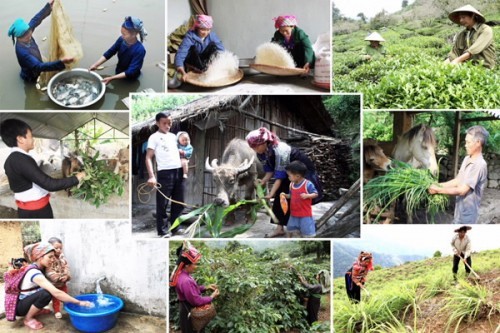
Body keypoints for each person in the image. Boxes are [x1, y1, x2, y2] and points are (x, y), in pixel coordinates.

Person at [246, 127, 323, 238]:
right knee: (281, 196)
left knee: (299, 197)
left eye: (256, 146)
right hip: (287, 172)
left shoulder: (280, 151)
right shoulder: (262, 153)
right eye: (252, 147)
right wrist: (263, 181)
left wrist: (270, 194)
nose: (254, 149)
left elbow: (280, 177)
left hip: (299, 170)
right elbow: (269, 170)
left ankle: (302, 226)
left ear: (264, 143)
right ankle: (279, 229)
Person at [0, 119, 86, 219]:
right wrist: (77, 178)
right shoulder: (21, 160)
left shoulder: (11, 160)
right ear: (20, 139)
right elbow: (50, 184)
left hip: (28, 210)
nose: (33, 139)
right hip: (36, 212)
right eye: (31, 136)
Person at [15, 242, 92, 330]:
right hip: (20, 307)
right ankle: (28, 319)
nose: (53, 260)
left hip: (26, 301)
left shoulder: (40, 268)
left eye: (53, 257)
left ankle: (36, 311)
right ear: (40, 257)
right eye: (50, 257)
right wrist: (79, 302)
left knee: (46, 292)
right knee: (46, 294)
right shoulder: (34, 272)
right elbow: (57, 293)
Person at [429, 125, 489, 224]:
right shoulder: (467, 159)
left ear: (478, 143)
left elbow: (462, 191)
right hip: (459, 211)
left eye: (468, 142)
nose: (465, 145)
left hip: (468, 216)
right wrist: (438, 185)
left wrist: (438, 190)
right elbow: (457, 180)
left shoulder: (479, 164)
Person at [7, 0, 74, 82]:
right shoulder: (22, 52)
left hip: (36, 62)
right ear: (18, 38)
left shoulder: (27, 30)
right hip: (31, 76)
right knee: (35, 82)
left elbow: (36, 19)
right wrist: (61, 62)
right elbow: (39, 67)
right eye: (24, 35)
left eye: (29, 31)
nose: (28, 35)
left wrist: (48, 7)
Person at [145, 112, 185, 237]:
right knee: (163, 203)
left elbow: (173, 150)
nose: (167, 126)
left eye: (170, 123)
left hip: (178, 171)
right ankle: (162, 230)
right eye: (164, 123)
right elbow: (148, 157)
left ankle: (175, 227)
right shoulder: (154, 137)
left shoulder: (174, 136)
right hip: (164, 173)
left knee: (179, 201)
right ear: (157, 123)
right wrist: (152, 176)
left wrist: (181, 153)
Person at [169, 241, 219, 333]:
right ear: (187, 265)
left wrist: (206, 287)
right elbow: (196, 300)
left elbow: (192, 290)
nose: (196, 266)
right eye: (194, 264)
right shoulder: (186, 280)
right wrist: (211, 297)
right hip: (189, 310)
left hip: (185, 308)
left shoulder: (182, 275)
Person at [89, 16, 147, 84]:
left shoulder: (140, 50)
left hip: (131, 78)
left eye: (124, 34)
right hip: (119, 71)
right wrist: (95, 65)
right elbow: (110, 52)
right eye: (121, 33)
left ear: (134, 34)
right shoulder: (121, 40)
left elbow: (131, 72)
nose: (122, 36)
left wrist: (112, 78)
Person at [175, 15, 225, 82]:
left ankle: (205, 67)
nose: (205, 33)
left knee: (213, 46)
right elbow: (181, 53)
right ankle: (193, 67)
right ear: (197, 27)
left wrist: (224, 63)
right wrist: (183, 72)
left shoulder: (212, 36)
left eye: (208, 30)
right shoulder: (190, 36)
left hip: (203, 59)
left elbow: (221, 49)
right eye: (202, 29)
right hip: (192, 58)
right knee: (193, 48)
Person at [445, 5, 495, 69]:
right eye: (460, 18)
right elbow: (454, 53)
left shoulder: (485, 30)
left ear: (473, 16)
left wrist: (456, 61)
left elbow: (473, 50)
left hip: (484, 68)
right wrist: (442, 65)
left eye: (463, 17)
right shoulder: (462, 34)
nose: (461, 20)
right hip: (467, 68)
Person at [281, 161, 319, 238]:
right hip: (294, 213)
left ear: (297, 176)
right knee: (290, 229)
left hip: (305, 214)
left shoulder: (307, 184)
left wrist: (308, 195)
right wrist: (285, 196)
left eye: (289, 175)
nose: (288, 177)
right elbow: (291, 196)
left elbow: (316, 194)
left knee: (307, 232)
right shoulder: (291, 185)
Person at [45, 237, 71, 319]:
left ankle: (66, 307)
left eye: (60, 248)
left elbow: (66, 267)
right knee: (56, 298)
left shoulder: (62, 257)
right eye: (56, 248)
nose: (59, 250)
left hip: (63, 282)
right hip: (54, 284)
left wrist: (67, 276)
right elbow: (49, 272)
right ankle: (57, 311)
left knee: (65, 295)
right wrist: (59, 278)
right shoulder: (49, 259)